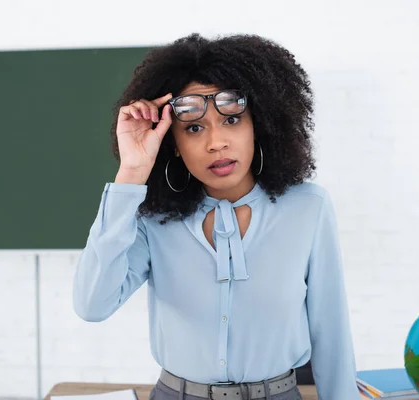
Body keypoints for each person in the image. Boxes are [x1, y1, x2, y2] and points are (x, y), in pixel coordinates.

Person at [73, 33, 361, 400]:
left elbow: (330, 331)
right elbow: (92, 305)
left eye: (232, 120)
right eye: (194, 128)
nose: (216, 143)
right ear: (173, 145)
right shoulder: (153, 219)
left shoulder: (309, 208)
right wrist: (131, 171)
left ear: (261, 124)